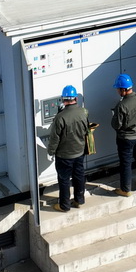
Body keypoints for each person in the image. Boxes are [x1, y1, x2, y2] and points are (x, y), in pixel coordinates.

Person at [46, 84, 89, 212]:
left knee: (64, 179)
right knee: (79, 175)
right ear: (75, 98)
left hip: (64, 155)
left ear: (64, 100)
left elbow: (55, 138)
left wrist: (50, 151)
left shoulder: (60, 117)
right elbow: (86, 130)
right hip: (79, 152)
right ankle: (79, 200)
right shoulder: (83, 112)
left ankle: (64, 205)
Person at [111, 73, 136, 197]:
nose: (117, 91)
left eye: (118, 89)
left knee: (126, 163)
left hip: (126, 139)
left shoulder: (121, 105)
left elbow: (116, 125)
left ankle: (125, 190)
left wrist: (113, 116)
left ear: (123, 89)